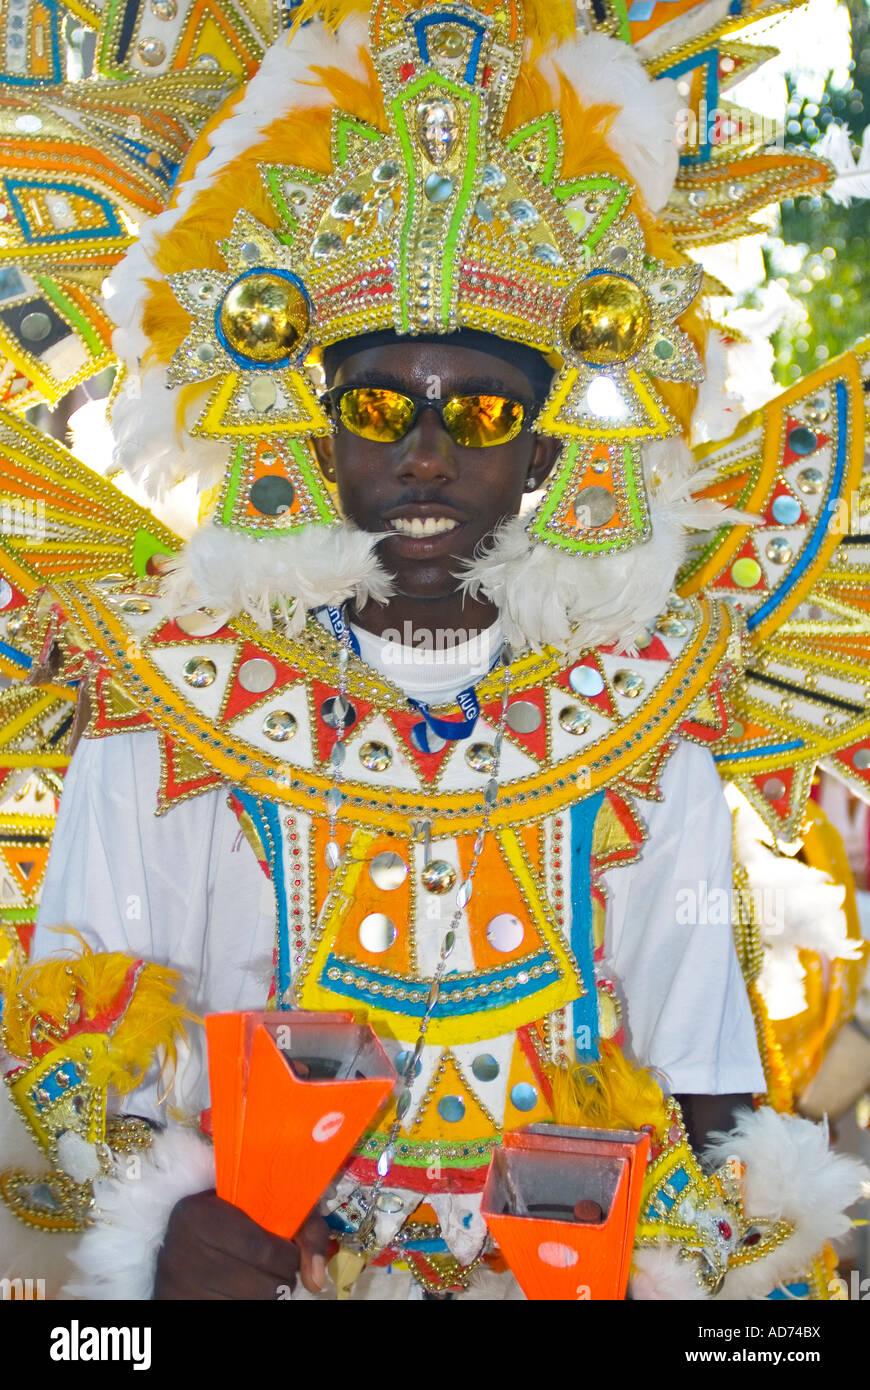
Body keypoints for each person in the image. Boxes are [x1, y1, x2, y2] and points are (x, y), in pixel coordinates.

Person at [1, 0, 867, 1302]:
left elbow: (710, 1096)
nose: (422, 452)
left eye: (474, 409)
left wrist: (693, 1273)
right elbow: (64, 1076)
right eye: (375, 407)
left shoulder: (646, 709)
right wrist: (155, 1233)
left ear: (541, 446)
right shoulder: (168, 697)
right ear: (313, 432)